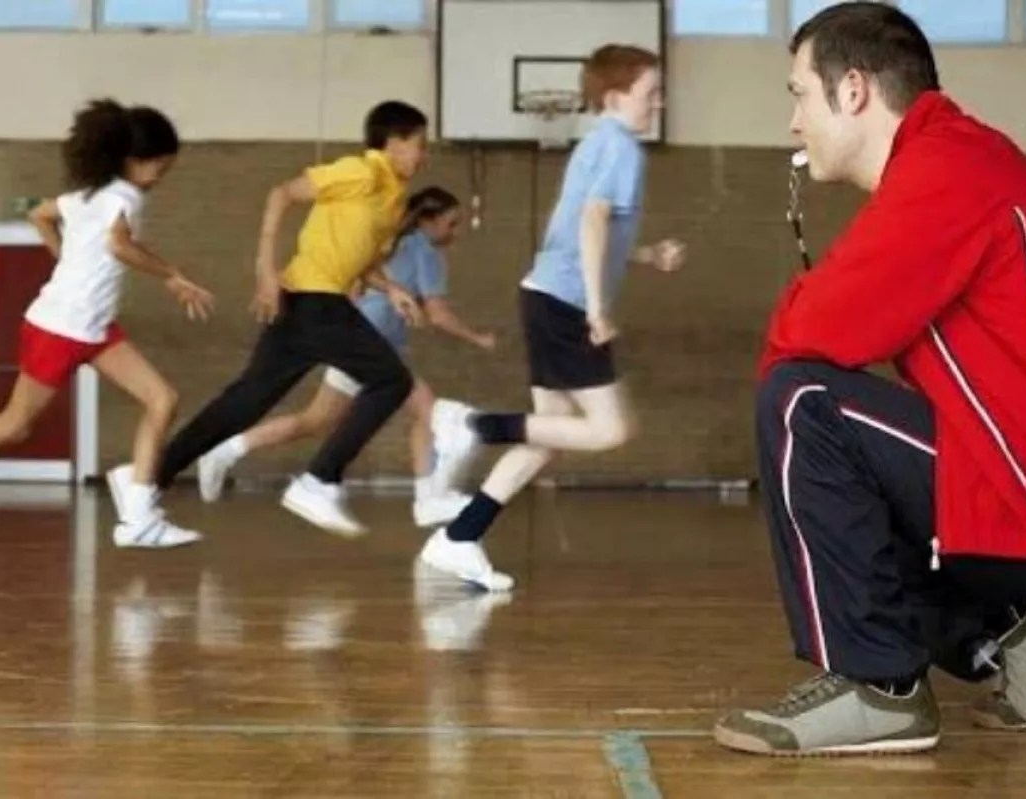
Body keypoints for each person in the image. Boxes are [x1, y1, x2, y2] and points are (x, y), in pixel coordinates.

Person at [712, 2, 1026, 757]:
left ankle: (879, 689)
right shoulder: (952, 160)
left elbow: (810, 331)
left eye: (798, 94)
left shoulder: (946, 169)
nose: (794, 122)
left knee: (801, 403)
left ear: (852, 90)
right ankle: (1005, 634)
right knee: (837, 440)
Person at [421, 44, 686, 591]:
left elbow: (577, 234)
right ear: (615, 96)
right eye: (650, 94)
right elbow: (591, 223)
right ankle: (471, 425)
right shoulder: (621, 150)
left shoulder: (598, 144)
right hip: (565, 304)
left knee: (547, 438)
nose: (658, 104)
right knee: (613, 429)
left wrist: (645, 254)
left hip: (546, 296)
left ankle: (460, 538)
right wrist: (596, 308)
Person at [147, 100, 433, 537]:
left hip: (306, 305)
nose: (423, 155)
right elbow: (281, 194)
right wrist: (265, 270)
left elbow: (360, 258)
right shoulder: (360, 171)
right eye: (419, 145)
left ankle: (147, 477)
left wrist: (391, 288)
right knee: (391, 380)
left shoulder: (392, 199)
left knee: (245, 402)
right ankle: (319, 481)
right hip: (314, 300)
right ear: (393, 144)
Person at [196, 186, 496, 528]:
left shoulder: (389, 244)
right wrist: (478, 337)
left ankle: (224, 451)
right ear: (428, 221)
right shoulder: (423, 252)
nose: (455, 232)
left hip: (371, 345)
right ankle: (428, 498)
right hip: (367, 348)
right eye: (451, 223)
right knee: (426, 412)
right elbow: (439, 314)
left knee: (316, 421)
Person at [0, 99, 213, 549]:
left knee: (162, 398)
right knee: (13, 428)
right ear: (133, 161)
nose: (160, 178)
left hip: (93, 330)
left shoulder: (86, 197)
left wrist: (66, 257)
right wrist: (172, 275)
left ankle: (138, 514)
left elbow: (39, 213)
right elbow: (119, 246)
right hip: (59, 329)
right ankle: (136, 504)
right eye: (159, 168)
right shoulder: (123, 197)